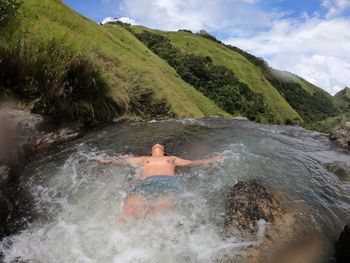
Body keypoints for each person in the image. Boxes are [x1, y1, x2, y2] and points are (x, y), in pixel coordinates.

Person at [99, 143, 223, 222]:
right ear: (151, 152)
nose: (158, 144)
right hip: (147, 183)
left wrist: (212, 160)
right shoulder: (144, 159)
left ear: (164, 152)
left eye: (161, 146)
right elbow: (123, 161)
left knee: (160, 213)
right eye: (155, 145)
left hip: (170, 182)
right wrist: (107, 161)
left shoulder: (172, 158)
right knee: (129, 210)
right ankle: (118, 236)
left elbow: (191, 162)